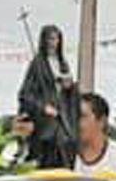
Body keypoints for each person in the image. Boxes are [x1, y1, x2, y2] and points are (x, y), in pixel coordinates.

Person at [19, 24, 81, 169]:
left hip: (64, 115)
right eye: (51, 39)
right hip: (45, 119)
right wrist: (43, 107)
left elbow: (70, 91)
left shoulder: (63, 63)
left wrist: (69, 87)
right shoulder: (38, 64)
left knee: (69, 142)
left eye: (57, 39)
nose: (54, 42)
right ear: (44, 40)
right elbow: (25, 94)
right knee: (52, 144)